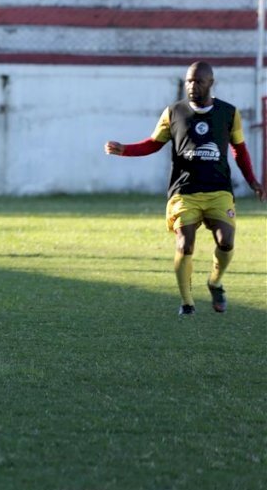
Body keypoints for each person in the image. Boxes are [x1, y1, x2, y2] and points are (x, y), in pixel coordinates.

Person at [105, 60, 264, 316]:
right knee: (184, 244)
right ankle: (187, 302)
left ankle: (215, 282)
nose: (192, 86)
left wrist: (252, 181)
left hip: (218, 191)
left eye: (198, 81)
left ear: (210, 83)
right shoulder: (173, 112)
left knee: (226, 240)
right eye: (189, 80)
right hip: (184, 192)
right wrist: (125, 150)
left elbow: (240, 149)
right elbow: (153, 143)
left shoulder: (229, 112)